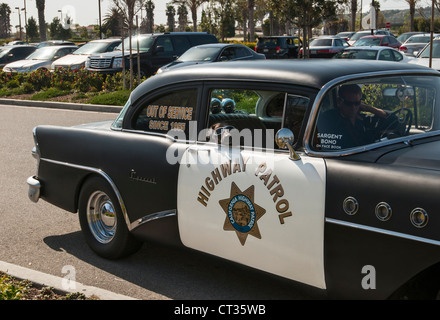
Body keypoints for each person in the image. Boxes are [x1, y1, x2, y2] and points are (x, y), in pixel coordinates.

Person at [316, 84, 387, 151]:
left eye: (357, 103)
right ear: (339, 101)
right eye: (349, 103)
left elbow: (388, 117)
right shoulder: (328, 119)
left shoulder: (363, 119)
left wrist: (367, 108)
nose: (353, 107)